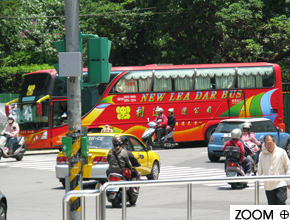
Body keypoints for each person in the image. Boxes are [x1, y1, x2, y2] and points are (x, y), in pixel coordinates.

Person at [258, 135, 290, 205]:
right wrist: (258, 182)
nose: (268, 145)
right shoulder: (262, 155)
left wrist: (288, 182)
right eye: (266, 143)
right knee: (272, 205)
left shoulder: (281, 152)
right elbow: (259, 169)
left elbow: (287, 166)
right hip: (268, 185)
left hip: (280, 183)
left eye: (270, 143)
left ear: (274, 142)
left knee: (281, 202)